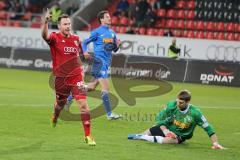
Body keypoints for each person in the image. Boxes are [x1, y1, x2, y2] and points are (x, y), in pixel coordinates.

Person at [41, 10, 96, 146]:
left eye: (69, 24)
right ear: (59, 26)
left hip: (76, 77)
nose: (68, 26)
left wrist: (86, 58)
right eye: (65, 24)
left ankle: (88, 136)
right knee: (60, 105)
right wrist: (46, 22)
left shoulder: (76, 39)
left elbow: (80, 56)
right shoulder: (54, 37)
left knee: (84, 106)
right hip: (61, 79)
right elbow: (44, 35)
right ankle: (55, 116)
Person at [65, 10, 122, 120]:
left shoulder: (112, 33)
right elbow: (85, 42)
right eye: (107, 17)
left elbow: (114, 49)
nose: (109, 18)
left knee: (91, 87)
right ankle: (109, 114)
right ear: (101, 19)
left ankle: (72, 94)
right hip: (99, 62)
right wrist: (85, 52)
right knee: (106, 88)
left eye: (109, 16)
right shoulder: (97, 32)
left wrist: (117, 45)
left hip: (106, 63)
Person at [128, 90, 225, 149]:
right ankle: (141, 136)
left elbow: (208, 128)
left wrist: (215, 143)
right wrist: (166, 130)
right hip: (166, 127)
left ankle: (142, 137)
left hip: (180, 135)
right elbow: (159, 118)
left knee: (167, 141)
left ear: (188, 102)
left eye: (181, 102)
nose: (178, 104)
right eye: (178, 101)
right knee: (148, 131)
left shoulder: (195, 113)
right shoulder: (172, 105)